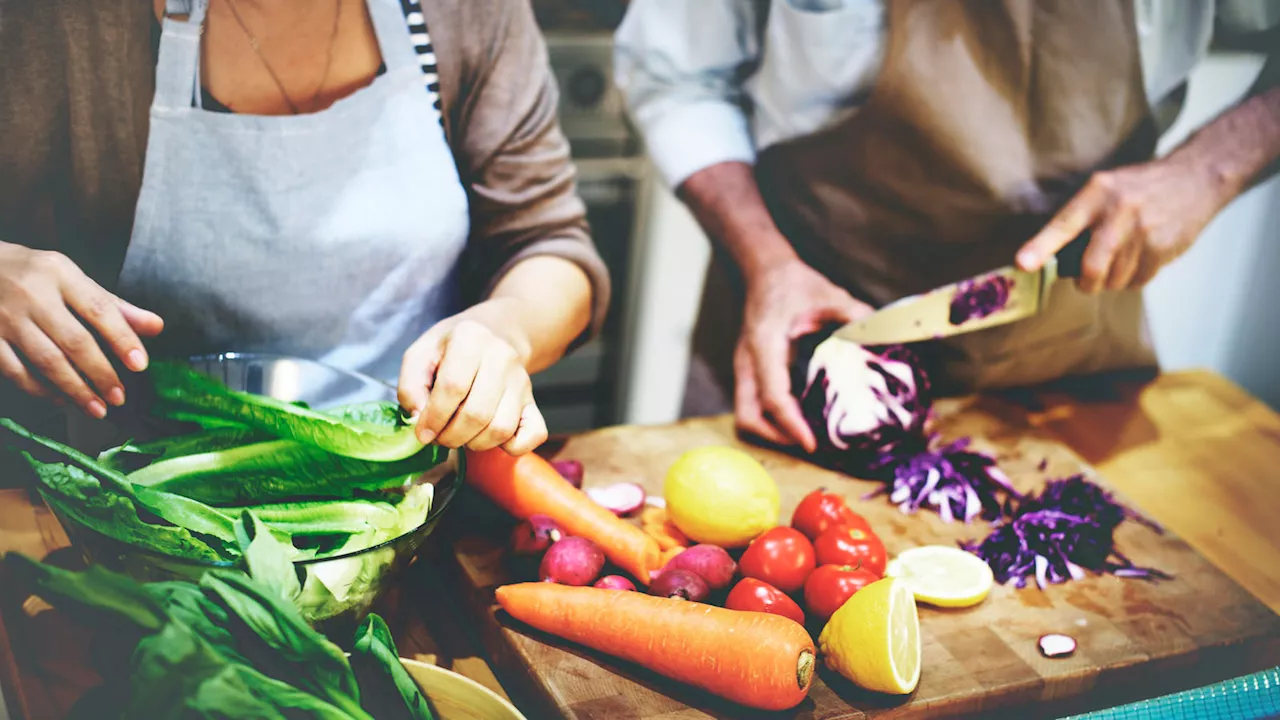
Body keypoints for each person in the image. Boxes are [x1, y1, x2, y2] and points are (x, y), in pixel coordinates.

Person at [614, 0, 1280, 452]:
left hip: (1070, 344)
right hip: (795, 332)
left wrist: (1211, 167)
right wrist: (767, 262)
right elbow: (675, 79)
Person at [0, 0, 610, 459]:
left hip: (409, 492)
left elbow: (548, 245)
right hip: (135, 500)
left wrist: (504, 327)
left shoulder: (466, 12)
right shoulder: (59, 22)